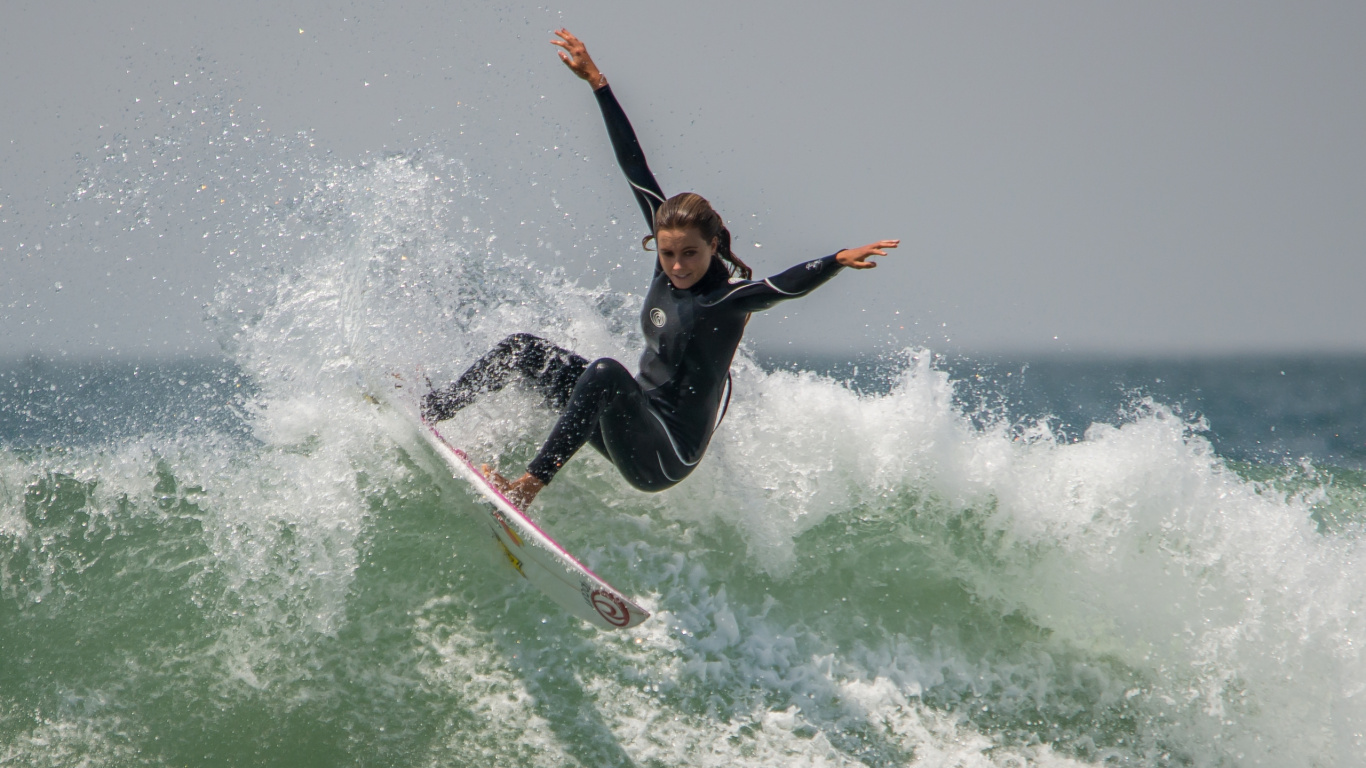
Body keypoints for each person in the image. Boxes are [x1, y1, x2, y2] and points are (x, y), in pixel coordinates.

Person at [422, 29, 898, 509]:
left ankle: (525, 489)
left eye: (689, 254)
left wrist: (834, 261)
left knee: (606, 372)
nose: (677, 265)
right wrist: (598, 84)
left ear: (713, 246)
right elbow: (635, 167)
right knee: (523, 350)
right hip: (634, 422)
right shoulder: (666, 267)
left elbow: (784, 286)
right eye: (667, 254)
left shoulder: (726, 301)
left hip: (666, 454)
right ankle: (434, 410)